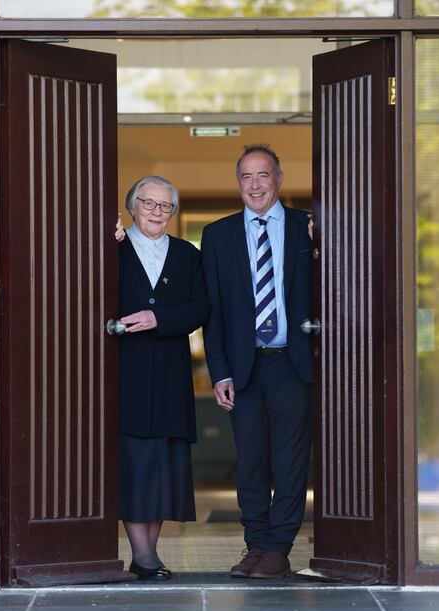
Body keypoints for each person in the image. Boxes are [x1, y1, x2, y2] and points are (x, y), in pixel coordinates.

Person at [200, 145, 313, 579]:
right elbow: (213, 311)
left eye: (263, 175)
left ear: (279, 179)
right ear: (238, 183)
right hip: (244, 366)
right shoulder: (218, 235)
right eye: (246, 176)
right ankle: (256, 545)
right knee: (249, 461)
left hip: (292, 363)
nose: (255, 185)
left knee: (289, 461)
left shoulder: (308, 227)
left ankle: (279, 548)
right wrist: (220, 372)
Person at [114, 175, 210, 581]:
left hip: (171, 372)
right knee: (135, 462)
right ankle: (145, 555)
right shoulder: (111, 249)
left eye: (165, 205)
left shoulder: (187, 254)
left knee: (163, 465)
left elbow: (202, 308)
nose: (157, 212)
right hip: (126, 371)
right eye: (148, 203)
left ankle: (147, 555)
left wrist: (159, 319)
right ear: (131, 207)